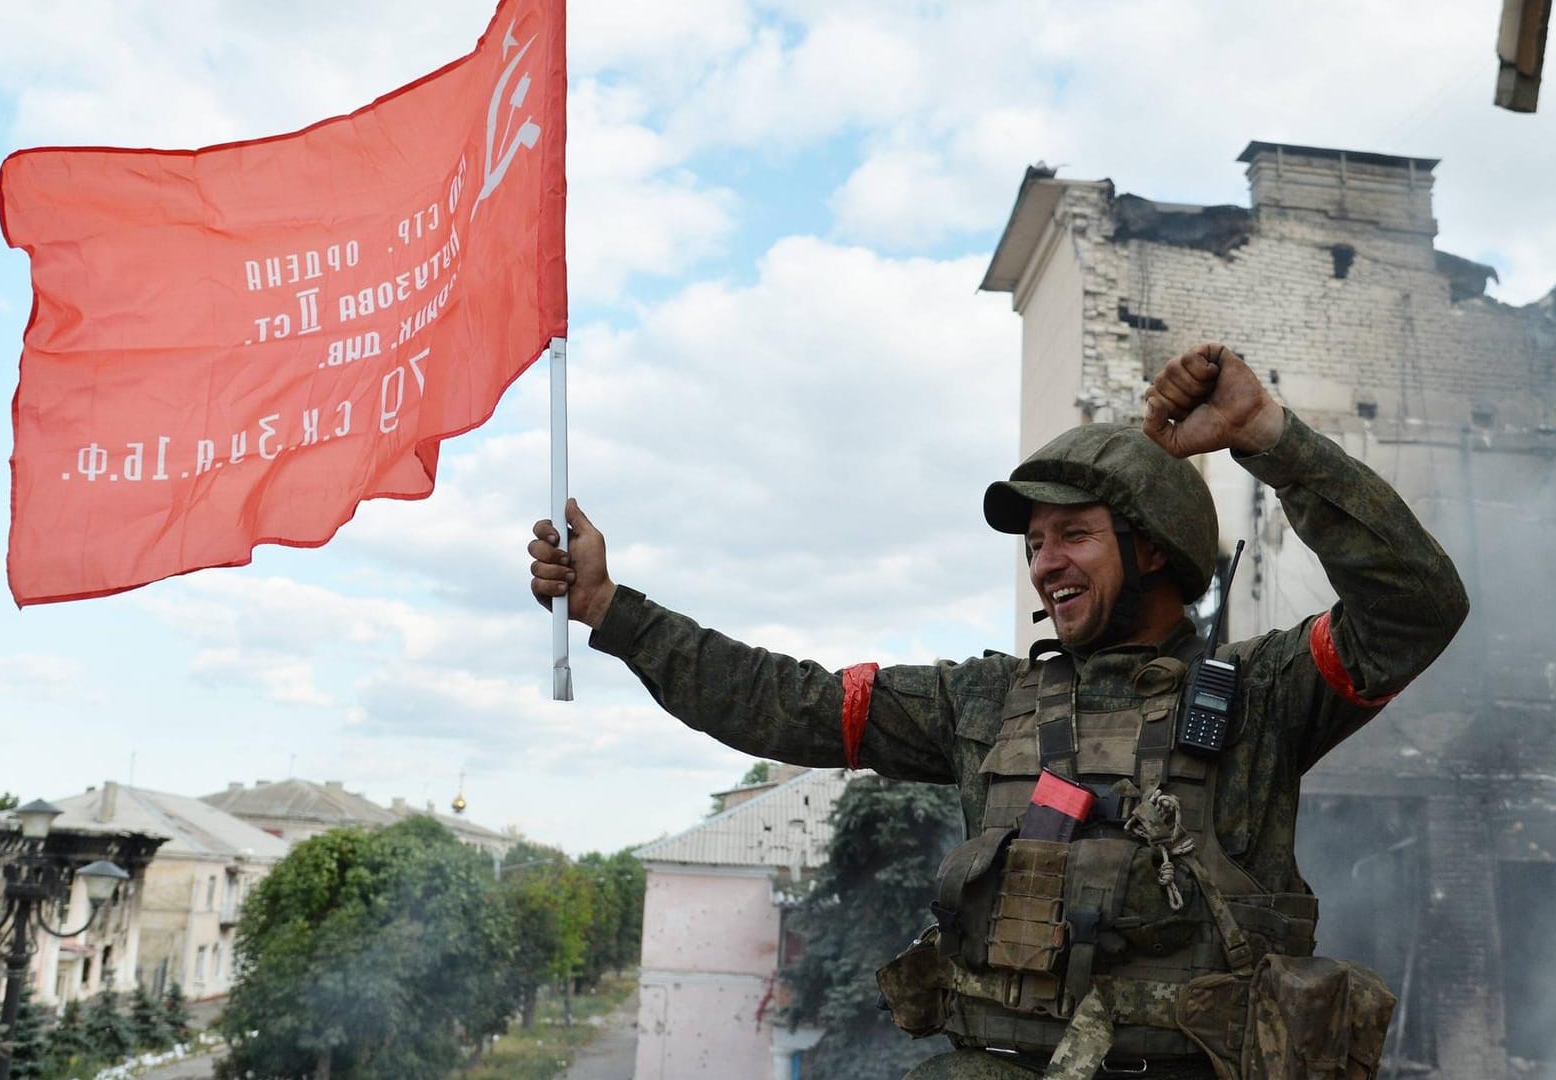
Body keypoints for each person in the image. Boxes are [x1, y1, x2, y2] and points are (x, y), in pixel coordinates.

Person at [528, 343, 1468, 1079]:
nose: (1045, 562)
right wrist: (616, 612)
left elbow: (1417, 606)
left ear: (1151, 549)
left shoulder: (1260, 696)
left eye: (1074, 535)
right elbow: (791, 703)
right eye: (1035, 542)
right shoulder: (983, 702)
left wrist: (1267, 433)